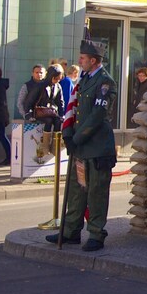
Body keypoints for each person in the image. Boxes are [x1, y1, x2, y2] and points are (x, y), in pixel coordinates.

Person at [46, 39, 117, 252]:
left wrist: (76, 139)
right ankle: (70, 231)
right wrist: (68, 133)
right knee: (76, 191)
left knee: (96, 193)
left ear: (93, 60)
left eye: (83, 58)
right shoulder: (84, 81)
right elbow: (74, 109)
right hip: (81, 148)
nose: (80, 61)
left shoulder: (105, 82)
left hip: (96, 148)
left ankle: (96, 233)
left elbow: (97, 115)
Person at [33, 65, 66, 156]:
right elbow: (31, 99)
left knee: (57, 121)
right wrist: (29, 114)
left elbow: (60, 101)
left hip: (50, 111)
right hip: (40, 111)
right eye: (56, 79)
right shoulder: (41, 85)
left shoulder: (58, 86)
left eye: (59, 79)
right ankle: (45, 147)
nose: (57, 81)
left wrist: (62, 114)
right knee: (49, 121)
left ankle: (55, 147)